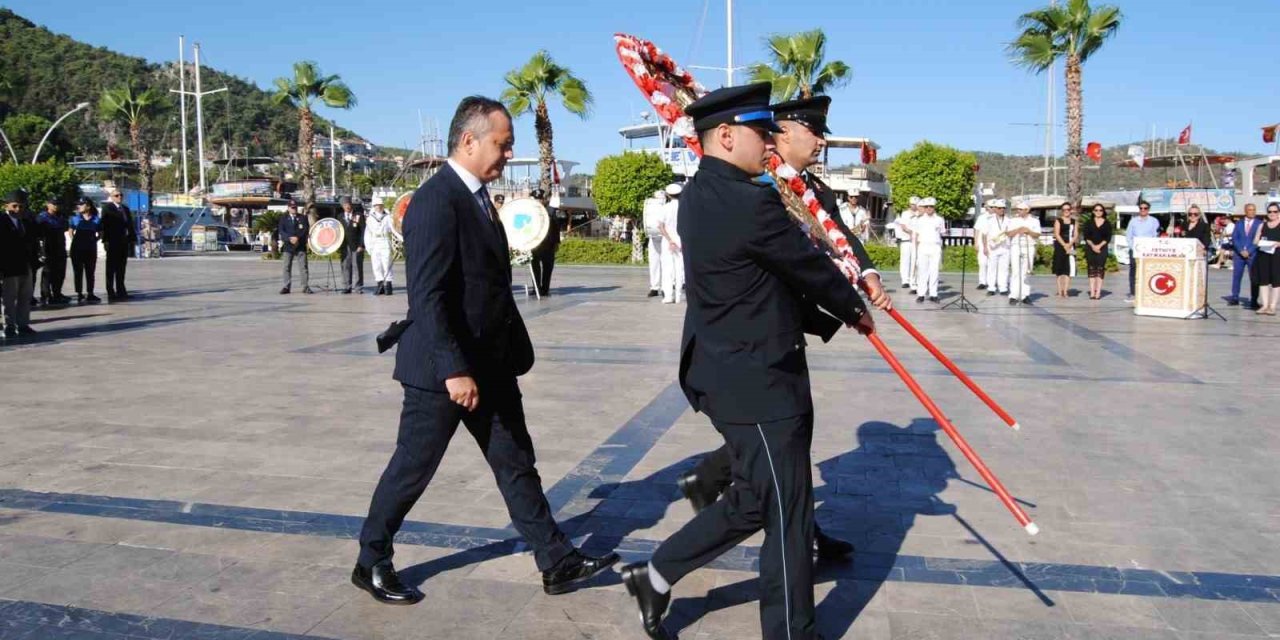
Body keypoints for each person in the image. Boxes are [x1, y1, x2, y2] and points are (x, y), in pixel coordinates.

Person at [618, 83, 873, 640]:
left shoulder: (701, 193)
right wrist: (854, 307)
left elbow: (761, 282)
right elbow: (803, 265)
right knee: (788, 513)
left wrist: (839, 312)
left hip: (737, 370)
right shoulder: (746, 199)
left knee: (758, 500)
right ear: (728, 136)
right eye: (761, 132)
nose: (770, 141)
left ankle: (654, 575)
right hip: (756, 381)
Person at [354, 96, 618, 607]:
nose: (508, 153)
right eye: (503, 143)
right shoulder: (436, 200)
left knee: (515, 461)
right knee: (413, 468)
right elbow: (427, 296)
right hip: (443, 370)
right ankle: (371, 560)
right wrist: (454, 370)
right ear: (469, 140)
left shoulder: (478, 198)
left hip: (490, 364)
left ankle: (556, 561)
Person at [675, 95, 891, 565]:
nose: (820, 142)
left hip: (776, 337)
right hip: (746, 343)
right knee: (774, 465)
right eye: (812, 132)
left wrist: (867, 273)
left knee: (786, 448)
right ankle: (672, 558)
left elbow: (837, 235)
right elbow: (798, 261)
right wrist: (849, 307)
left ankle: (782, 522)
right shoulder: (752, 184)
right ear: (786, 130)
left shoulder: (808, 187)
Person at [1, 189, 38, 338]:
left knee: (25, 295)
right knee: (9, 298)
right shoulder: (2, 221)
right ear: (6, 206)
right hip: (9, 266)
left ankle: (23, 324)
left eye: (21, 206)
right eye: (14, 206)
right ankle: (9, 325)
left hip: (25, 264)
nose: (18, 209)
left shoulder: (26, 221)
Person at [99, 188, 135, 301]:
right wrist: (105, 240)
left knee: (121, 267)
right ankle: (110, 291)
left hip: (123, 241)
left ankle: (121, 290)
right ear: (112, 197)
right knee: (111, 268)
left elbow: (130, 224)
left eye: (121, 195)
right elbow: (104, 224)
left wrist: (132, 238)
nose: (119, 197)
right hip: (112, 241)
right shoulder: (107, 208)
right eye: (116, 195)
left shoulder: (125, 209)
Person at [911, 196, 945, 302]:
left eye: (931, 206)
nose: (929, 208)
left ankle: (933, 294)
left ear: (934, 207)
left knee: (934, 271)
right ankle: (921, 294)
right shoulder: (919, 220)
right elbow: (916, 235)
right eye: (926, 206)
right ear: (924, 208)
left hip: (935, 246)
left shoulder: (939, 220)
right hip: (923, 246)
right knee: (922, 271)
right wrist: (916, 249)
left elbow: (942, 233)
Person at [36, 198, 70, 305]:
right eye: (54, 204)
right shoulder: (43, 217)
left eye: (58, 204)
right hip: (48, 248)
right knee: (48, 273)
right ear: (48, 204)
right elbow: (39, 234)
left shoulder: (61, 217)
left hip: (60, 247)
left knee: (60, 272)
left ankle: (57, 293)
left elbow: (65, 227)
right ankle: (46, 295)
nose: (56, 206)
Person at [1126, 200, 1161, 301]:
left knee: (1148, 270)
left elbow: (1155, 235)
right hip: (1135, 249)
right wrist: (1133, 247)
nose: (1143, 210)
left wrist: (1151, 247)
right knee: (1133, 271)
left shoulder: (1154, 221)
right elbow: (1129, 236)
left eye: (1145, 208)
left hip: (1148, 250)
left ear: (1148, 209)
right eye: (1141, 208)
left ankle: (1147, 292)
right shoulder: (1133, 221)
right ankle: (1133, 292)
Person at [68, 198, 101, 304]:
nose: (79, 206)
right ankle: (79, 293)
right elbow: (70, 231)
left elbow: (100, 233)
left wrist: (94, 240)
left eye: (82, 204)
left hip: (90, 248)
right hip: (77, 248)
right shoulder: (75, 218)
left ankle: (90, 292)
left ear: (88, 206)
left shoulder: (96, 219)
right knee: (78, 271)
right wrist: (76, 241)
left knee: (90, 271)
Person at [530, 188, 561, 296]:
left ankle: (545, 289)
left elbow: (556, 228)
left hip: (548, 245)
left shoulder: (550, 211)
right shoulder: (529, 211)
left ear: (543, 199)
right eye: (536, 199)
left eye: (540, 199)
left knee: (548, 268)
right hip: (534, 245)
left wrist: (557, 243)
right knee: (535, 267)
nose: (538, 201)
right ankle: (536, 288)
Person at [1230, 203, 1262, 308]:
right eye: (1250, 210)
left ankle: (1254, 300)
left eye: (1254, 210)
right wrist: (1240, 250)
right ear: (1245, 211)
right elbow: (1235, 238)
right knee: (1237, 276)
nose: (1252, 212)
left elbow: (1259, 240)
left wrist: (1249, 251)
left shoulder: (1260, 224)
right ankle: (1235, 297)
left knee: (1254, 278)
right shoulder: (1239, 223)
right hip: (1239, 255)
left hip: (1252, 255)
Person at [1251, 202, 1280, 315]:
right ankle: (1264, 305)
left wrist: (1278, 244)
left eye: (1275, 211)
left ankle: (1272, 306)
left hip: (1277, 255)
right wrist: (1259, 242)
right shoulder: (1262, 225)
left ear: (1278, 213)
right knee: (1263, 281)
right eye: (1270, 211)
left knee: (1276, 282)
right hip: (1263, 255)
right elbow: (1255, 240)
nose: (1272, 213)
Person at [1008, 201, 1039, 305]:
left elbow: (1037, 234)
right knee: (1015, 271)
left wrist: (1028, 231)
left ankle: (1025, 295)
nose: (1018, 211)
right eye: (1018, 209)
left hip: (1029, 246)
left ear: (1027, 210)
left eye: (1021, 209)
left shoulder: (1034, 221)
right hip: (1016, 246)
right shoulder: (1013, 220)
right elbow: (1009, 233)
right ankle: (1014, 295)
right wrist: (1018, 230)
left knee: (1026, 271)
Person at [278, 201, 312, 295]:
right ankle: (286, 286)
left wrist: (297, 238)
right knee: (286, 267)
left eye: (295, 207)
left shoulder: (302, 217)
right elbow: (281, 231)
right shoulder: (283, 218)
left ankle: (305, 286)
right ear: (288, 208)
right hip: (288, 246)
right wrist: (289, 238)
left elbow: (305, 230)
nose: (294, 209)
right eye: (292, 207)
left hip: (300, 245)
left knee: (303, 267)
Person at [658, 183, 684, 304]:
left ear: (668, 195)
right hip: (681, 240)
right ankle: (679, 296)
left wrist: (670, 241)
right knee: (680, 268)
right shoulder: (685, 208)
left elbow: (661, 227)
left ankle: (668, 296)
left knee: (667, 268)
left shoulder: (665, 208)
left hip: (667, 241)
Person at [981, 200, 1012, 297]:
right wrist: (985, 247)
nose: (1001, 210)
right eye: (999, 208)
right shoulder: (989, 220)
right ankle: (991, 288)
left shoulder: (1009, 220)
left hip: (1005, 246)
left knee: (1004, 268)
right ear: (995, 209)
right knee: (992, 268)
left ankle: (1003, 288)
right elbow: (984, 234)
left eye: (1003, 208)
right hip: (993, 247)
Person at [364, 202, 396, 295]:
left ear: (383, 206)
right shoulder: (370, 218)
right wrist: (368, 246)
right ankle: (380, 285)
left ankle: (389, 285)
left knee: (387, 263)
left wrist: (401, 238)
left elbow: (393, 229)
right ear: (374, 206)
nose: (378, 207)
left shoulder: (387, 217)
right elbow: (367, 233)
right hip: (375, 242)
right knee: (376, 265)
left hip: (384, 240)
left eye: (380, 205)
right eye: (376, 205)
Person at [1082, 204, 1112, 300]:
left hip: (1102, 249)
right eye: (1096, 210)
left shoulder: (1107, 223)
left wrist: (1099, 246)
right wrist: (1093, 246)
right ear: (1093, 211)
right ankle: (1092, 292)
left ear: (1103, 212)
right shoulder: (1088, 223)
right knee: (1091, 269)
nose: (1098, 212)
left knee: (1100, 269)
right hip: (1090, 248)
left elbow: (1108, 237)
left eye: (1100, 210)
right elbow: (1086, 236)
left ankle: (1098, 292)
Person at [338, 196, 366, 294]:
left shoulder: (358, 215)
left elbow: (363, 231)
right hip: (344, 246)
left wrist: (362, 245)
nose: (347, 206)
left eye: (348, 204)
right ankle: (347, 286)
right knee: (345, 266)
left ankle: (358, 287)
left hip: (356, 245)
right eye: (345, 205)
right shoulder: (340, 216)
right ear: (342, 206)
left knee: (357, 266)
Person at [891, 196, 919, 290]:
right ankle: (905, 280)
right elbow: (903, 226)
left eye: (915, 204)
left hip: (916, 241)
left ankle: (913, 280)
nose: (914, 206)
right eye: (912, 204)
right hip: (906, 240)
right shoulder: (905, 213)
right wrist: (911, 232)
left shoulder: (920, 214)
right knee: (905, 260)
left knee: (915, 261)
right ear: (910, 204)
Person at [643, 189, 667, 297]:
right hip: (653, 237)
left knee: (666, 264)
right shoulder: (651, 206)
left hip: (666, 238)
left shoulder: (668, 207)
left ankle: (665, 287)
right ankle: (654, 287)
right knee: (654, 263)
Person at [1052, 202, 1077, 297]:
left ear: (1071, 210)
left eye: (1068, 209)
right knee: (1059, 269)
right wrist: (1064, 245)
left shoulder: (1074, 221)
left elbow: (1076, 234)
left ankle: (1065, 291)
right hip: (1060, 246)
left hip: (1071, 246)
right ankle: (1059, 291)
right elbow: (1057, 234)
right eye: (1064, 210)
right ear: (1062, 211)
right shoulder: (1058, 221)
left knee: (1069, 269)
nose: (1066, 211)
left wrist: (1070, 244)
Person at [974, 201, 996, 290]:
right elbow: (977, 230)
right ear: (987, 208)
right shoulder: (982, 218)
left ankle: (992, 282)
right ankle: (982, 282)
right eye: (991, 207)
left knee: (992, 264)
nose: (993, 209)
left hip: (993, 243)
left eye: (994, 207)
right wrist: (975, 242)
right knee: (982, 263)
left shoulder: (997, 217)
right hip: (982, 242)